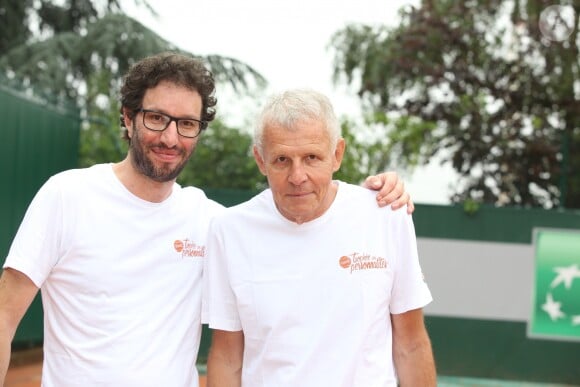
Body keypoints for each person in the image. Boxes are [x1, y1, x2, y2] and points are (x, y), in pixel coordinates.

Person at [0, 53, 413, 386]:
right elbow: (4, 314)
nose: (170, 137)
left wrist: (382, 193)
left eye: (187, 124)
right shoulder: (67, 195)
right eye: (156, 118)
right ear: (128, 117)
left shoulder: (214, 224)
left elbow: (303, 211)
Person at [203, 88, 436, 387]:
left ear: (337, 154)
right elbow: (227, 356)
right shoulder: (228, 230)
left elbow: (411, 344)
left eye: (311, 157)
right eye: (282, 160)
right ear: (261, 161)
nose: (297, 176)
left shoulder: (387, 215)